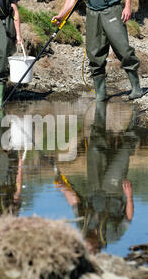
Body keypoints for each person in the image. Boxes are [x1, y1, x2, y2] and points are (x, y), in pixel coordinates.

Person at [53, 0, 143, 101]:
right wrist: (60, 15)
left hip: (113, 11)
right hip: (93, 14)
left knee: (123, 50)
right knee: (94, 54)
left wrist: (128, 6)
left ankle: (136, 89)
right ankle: (101, 94)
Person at [55, 101, 138, 253]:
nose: (85, 243)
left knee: (94, 147)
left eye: (84, 245)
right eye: (87, 246)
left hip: (94, 185)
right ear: (96, 247)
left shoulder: (83, 228)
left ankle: (100, 110)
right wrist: (129, 197)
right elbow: (128, 218)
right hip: (114, 190)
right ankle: (135, 117)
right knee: (124, 152)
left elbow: (75, 203)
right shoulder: (113, 236)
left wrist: (62, 187)